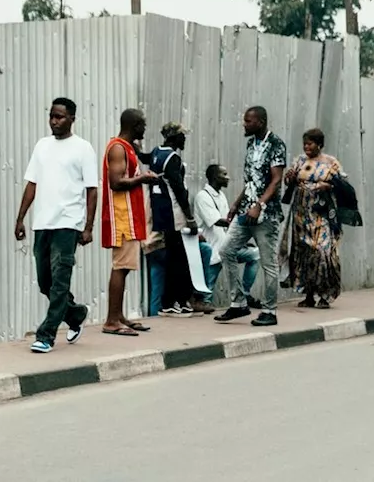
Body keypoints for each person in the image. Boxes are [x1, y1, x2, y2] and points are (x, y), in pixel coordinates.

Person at [15, 97, 98, 353]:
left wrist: (88, 227)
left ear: (72, 118)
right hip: (43, 224)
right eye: (51, 116)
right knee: (45, 283)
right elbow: (32, 183)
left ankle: (46, 335)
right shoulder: (42, 146)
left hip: (68, 225)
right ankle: (75, 314)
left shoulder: (83, 148)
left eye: (60, 117)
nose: (54, 121)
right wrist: (20, 218)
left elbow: (92, 190)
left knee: (60, 280)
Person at [216, 106, 286, 327]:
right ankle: (238, 304)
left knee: (268, 263)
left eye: (248, 121)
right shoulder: (250, 144)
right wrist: (237, 204)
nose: (244, 125)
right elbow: (250, 181)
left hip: (267, 214)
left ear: (261, 121)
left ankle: (269, 311)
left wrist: (259, 204)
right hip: (246, 210)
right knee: (226, 250)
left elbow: (276, 180)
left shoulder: (276, 144)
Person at [100, 109, 159, 336]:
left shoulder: (127, 148)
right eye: (143, 124)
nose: (145, 128)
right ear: (135, 125)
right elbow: (116, 182)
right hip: (122, 217)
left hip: (130, 216)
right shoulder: (117, 148)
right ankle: (111, 321)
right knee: (120, 267)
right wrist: (143, 178)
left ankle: (119, 315)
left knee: (124, 269)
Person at [148, 122, 207, 316]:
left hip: (162, 212)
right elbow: (179, 190)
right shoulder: (172, 158)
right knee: (178, 259)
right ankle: (173, 302)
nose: (185, 140)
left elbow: (145, 157)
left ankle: (175, 301)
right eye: (183, 137)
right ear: (174, 138)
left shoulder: (157, 153)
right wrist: (189, 217)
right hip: (174, 214)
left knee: (174, 258)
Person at [284, 129, 345, 308]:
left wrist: (328, 186)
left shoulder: (331, 162)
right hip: (301, 215)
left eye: (310, 143)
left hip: (322, 214)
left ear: (319, 144)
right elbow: (289, 182)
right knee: (304, 253)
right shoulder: (300, 161)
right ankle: (309, 295)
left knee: (323, 251)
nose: (306, 147)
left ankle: (325, 295)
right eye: (305, 144)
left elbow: (342, 185)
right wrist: (290, 178)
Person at [194, 165, 261, 310]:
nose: (228, 177)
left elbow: (228, 224)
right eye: (224, 174)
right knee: (207, 293)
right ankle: (202, 303)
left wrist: (241, 241)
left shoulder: (221, 196)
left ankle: (245, 294)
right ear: (214, 177)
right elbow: (218, 221)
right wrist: (243, 221)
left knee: (254, 255)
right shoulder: (203, 196)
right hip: (212, 248)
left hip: (226, 246)